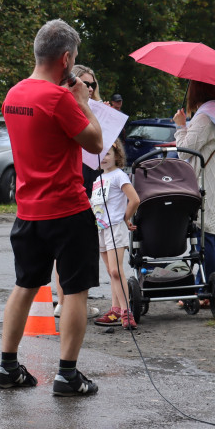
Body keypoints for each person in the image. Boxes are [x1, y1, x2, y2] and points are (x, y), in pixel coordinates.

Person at [0, 19, 103, 397]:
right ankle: (68, 374)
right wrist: (83, 103)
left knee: (25, 284)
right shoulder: (59, 99)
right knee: (75, 291)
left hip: (27, 209)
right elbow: (95, 143)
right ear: (67, 58)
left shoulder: (14, 94)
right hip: (67, 209)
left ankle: (7, 366)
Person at [173, 80, 215, 297]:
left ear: (195, 91)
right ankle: (204, 286)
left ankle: (207, 290)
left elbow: (184, 150)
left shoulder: (205, 116)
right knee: (208, 236)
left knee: (203, 236)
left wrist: (181, 126)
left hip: (204, 185)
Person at [53, 64, 101, 320]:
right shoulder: (67, 106)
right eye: (84, 83)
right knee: (67, 246)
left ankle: (76, 299)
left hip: (95, 172)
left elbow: (106, 146)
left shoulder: (96, 109)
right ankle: (64, 301)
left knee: (89, 245)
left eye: (92, 84)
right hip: (75, 172)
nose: (89, 88)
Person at [90, 138, 140, 328]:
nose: (104, 158)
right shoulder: (98, 179)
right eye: (100, 155)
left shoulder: (119, 176)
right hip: (101, 228)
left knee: (115, 270)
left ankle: (127, 312)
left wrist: (126, 218)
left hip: (115, 227)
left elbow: (134, 200)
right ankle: (115, 310)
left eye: (108, 154)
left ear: (117, 156)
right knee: (111, 273)